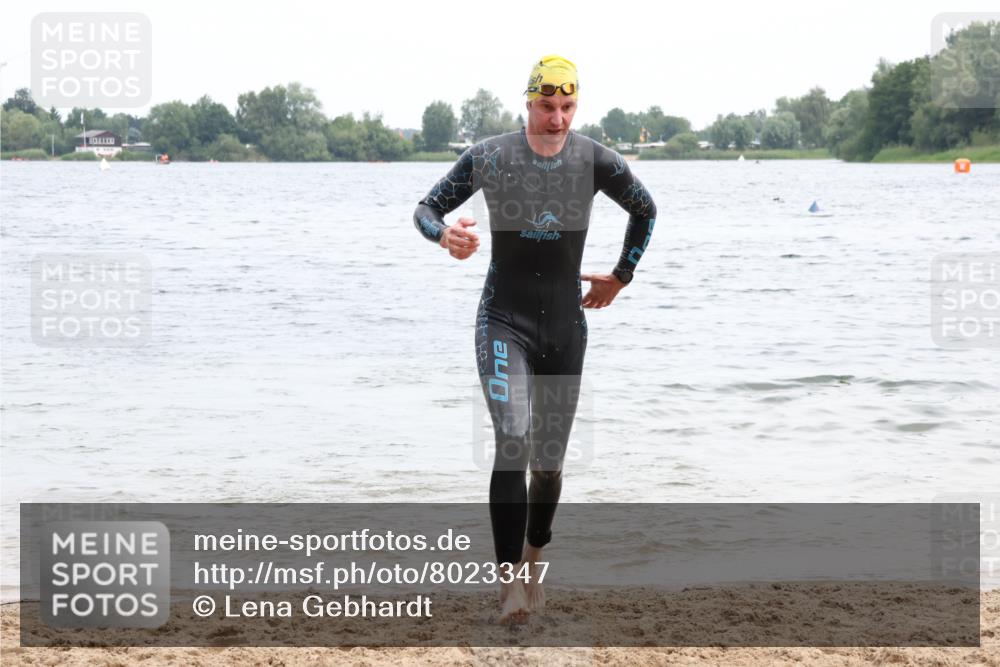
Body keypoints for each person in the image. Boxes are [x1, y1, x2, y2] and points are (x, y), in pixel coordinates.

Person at [412, 55, 657, 625]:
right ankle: (509, 589)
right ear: (528, 102)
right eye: (547, 106)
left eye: (568, 106)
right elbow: (426, 209)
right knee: (514, 438)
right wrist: (445, 234)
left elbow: (646, 210)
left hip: (566, 329)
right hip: (504, 320)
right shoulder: (492, 155)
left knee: (547, 464)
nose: (558, 118)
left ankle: (532, 563)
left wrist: (621, 277)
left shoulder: (595, 159)